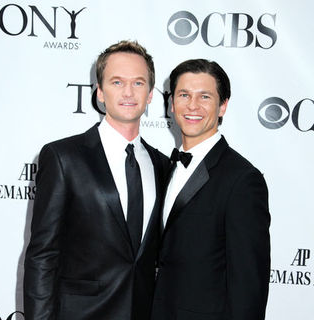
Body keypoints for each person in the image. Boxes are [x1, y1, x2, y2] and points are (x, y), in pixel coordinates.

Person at [23, 40, 168, 320]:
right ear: (100, 92)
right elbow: (42, 257)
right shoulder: (63, 157)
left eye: (138, 83)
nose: (128, 92)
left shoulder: (161, 165)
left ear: (150, 94)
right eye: (117, 82)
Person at [151, 59, 271, 320]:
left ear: (223, 106)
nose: (192, 106)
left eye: (205, 96)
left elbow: (249, 286)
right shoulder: (161, 168)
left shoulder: (242, 180)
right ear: (171, 103)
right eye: (184, 95)